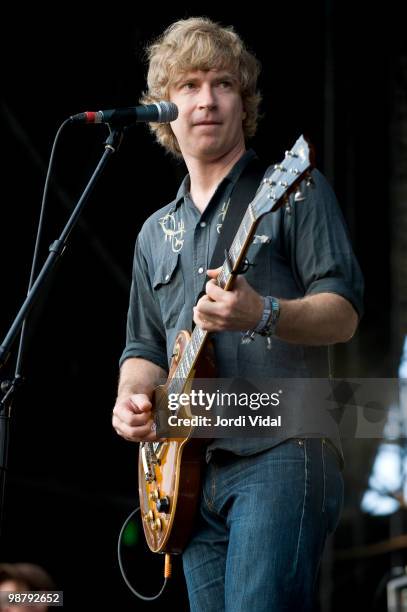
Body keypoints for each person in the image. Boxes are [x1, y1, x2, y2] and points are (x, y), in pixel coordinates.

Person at [112, 17, 364, 611]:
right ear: (163, 109)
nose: (206, 99)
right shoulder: (154, 233)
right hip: (189, 474)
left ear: (243, 101)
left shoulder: (293, 189)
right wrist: (132, 400)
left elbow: (345, 313)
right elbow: (143, 350)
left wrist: (263, 312)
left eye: (222, 83)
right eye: (189, 85)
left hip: (282, 445)